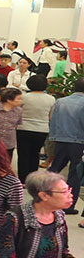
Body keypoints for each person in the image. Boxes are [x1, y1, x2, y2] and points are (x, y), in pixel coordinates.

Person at [47, 77, 84, 213]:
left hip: (60, 139)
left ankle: (43, 194)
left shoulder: (60, 102)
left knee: (55, 168)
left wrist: (54, 136)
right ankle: (68, 205)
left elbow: (52, 119)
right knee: (75, 173)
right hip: (79, 142)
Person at [17, 73, 54, 176]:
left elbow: (17, 112)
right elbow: (50, 117)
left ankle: (22, 179)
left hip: (24, 128)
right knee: (35, 154)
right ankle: (32, 177)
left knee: (23, 154)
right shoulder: (51, 99)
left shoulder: (24, 97)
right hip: (42, 130)